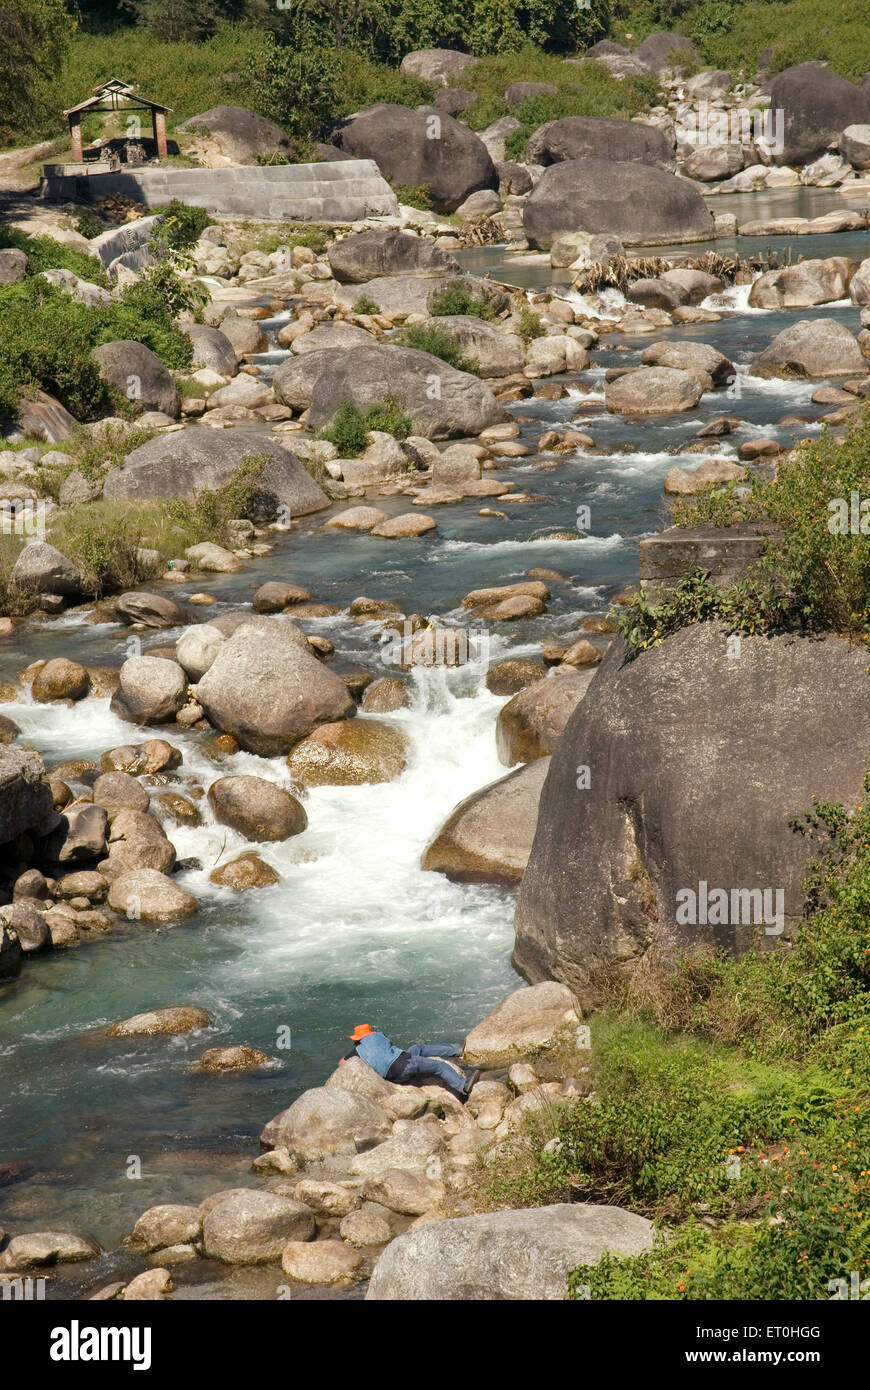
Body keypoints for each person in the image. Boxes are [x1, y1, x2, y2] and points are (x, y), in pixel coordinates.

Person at [341, 1023, 479, 1101]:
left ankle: (456, 1049)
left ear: (357, 1040)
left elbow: (341, 1063)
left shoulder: (357, 1052)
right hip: (404, 1065)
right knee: (439, 1066)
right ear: (370, 1033)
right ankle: (463, 1085)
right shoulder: (378, 1036)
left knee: (416, 1048)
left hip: (393, 1076)